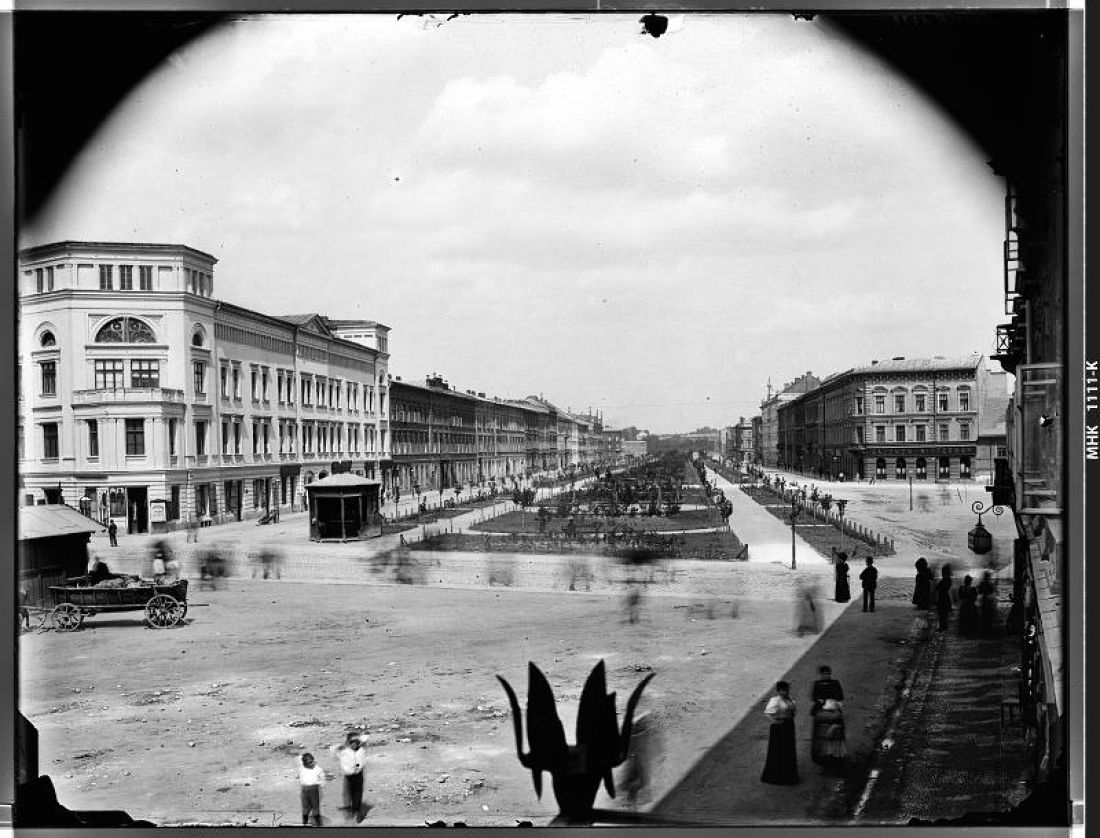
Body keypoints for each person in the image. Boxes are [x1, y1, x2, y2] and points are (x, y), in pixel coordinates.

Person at [761, 681, 799, 785]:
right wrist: (776, 721)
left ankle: (789, 777)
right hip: (778, 729)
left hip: (789, 727)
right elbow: (768, 714)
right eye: (781, 690)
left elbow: (794, 713)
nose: (784, 692)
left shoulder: (791, 700)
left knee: (788, 751)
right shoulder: (775, 700)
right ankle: (775, 777)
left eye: (785, 690)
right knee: (777, 751)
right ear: (778, 691)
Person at [810, 666, 846, 771]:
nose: (826, 675)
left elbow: (840, 696)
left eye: (828, 673)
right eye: (824, 674)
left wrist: (834, 702)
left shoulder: (835, 683)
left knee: (837, 735)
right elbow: (814, 697)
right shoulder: (817, 684)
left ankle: (836, 758)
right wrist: (820, 701)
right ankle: (821, 759)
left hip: (833, 711)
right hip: (821, 713)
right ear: (821, 674)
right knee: (820, 737)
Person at [331, 733, 369, 822]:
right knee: (347, 794)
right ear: (348, 742)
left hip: (358, 775)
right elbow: (333, 751)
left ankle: (357, 812)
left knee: (358, 794)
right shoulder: (343, 751)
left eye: (357, 742)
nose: (355, 744)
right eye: (352, 742)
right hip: (348, 776)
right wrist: (342, 745)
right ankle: (348, 812)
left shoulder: (362, 749)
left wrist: (360, 740)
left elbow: (366, 737)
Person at [298, 752, 325, 826]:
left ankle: (318, 823)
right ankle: (304, 823)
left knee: (315, 807)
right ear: (304, 763)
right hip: (304, 789)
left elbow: (322, 780)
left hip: (314, 789)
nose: (310, 764)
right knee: (305, 808)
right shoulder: (302, 767)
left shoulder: (318, 769)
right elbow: (299, 757)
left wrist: (320, 785)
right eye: (308, 762)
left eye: (311, 762)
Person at [978, 571, 999, 638]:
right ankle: (989, 633)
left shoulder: (981, 584)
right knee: (989, 619)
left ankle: (984, 633)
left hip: (984, 602)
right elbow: (994, 591)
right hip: (989, 603)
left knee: (984, 619)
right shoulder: (990, 584)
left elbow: (979, 592)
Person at [935, 565, 954, 632]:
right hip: (945, 597)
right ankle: (944, 627)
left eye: (942, 572)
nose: (941, 573)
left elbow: (938, 587)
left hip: (943, 598)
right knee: (944, 613)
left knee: (942, 613)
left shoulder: (945, 580)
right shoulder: (948, 580)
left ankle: (942, 627)